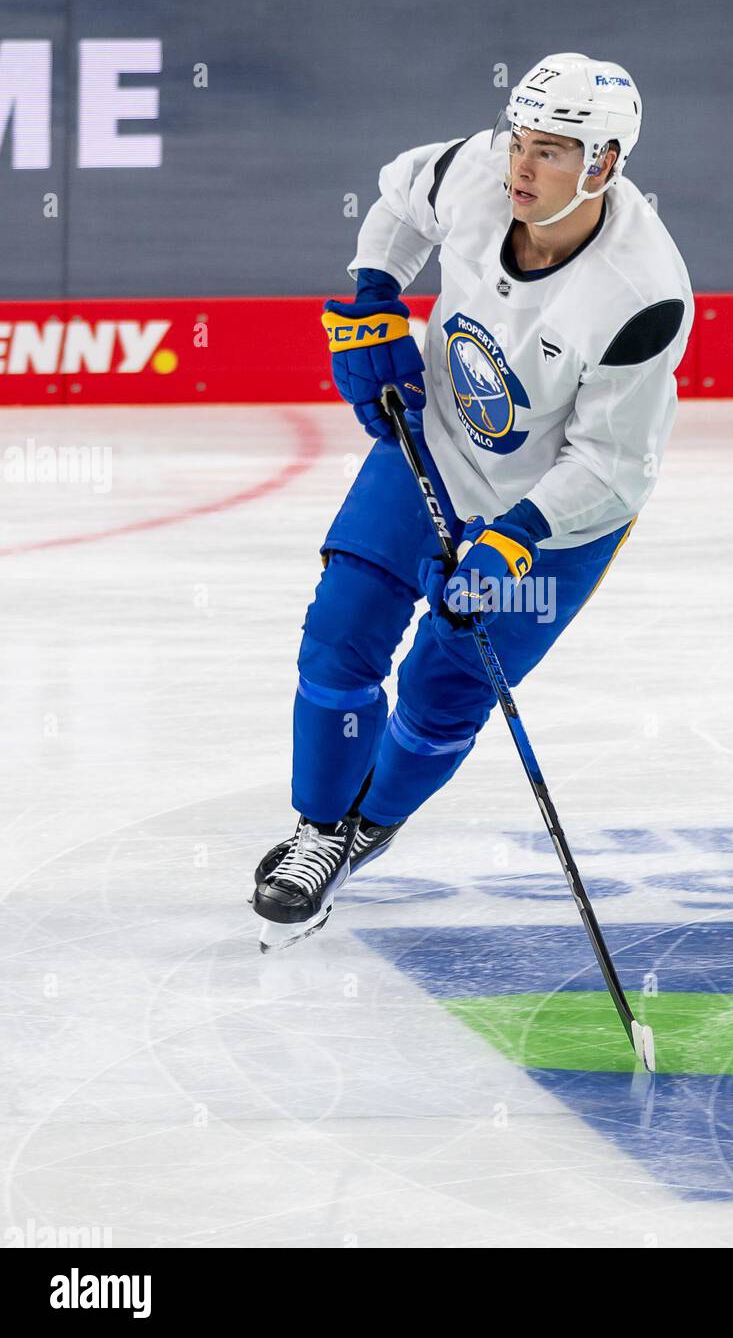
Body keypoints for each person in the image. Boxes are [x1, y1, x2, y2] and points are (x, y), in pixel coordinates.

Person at [253, 51, 693, 948]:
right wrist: (375, 292)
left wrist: (520, 534)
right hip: (434, 450)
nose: (522, 169)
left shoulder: (641, 293)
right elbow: (395, 203)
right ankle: (318, 829)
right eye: (519, 143)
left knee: (445, 687)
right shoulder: (475, 173)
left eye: (552, 153)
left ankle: (371, 821)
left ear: (604, 163)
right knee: (341, 633)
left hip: (556, 521)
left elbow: (615, 464)